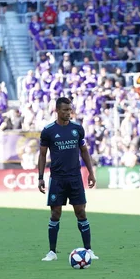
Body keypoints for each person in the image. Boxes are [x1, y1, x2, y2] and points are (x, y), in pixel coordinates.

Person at [37, 97, 98, 262]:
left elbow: (84, 151)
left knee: (81, 212)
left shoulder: (77, 128)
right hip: (57, 179)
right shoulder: (48, 131)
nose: (68, 113)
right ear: (57, 110)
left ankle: (88, 250)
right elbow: (42, 154)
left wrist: (91, 173)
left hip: (75, 178)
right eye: (65, 110)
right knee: (55, 213)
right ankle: (52, 252)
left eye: (70, 110)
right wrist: (40, 177)